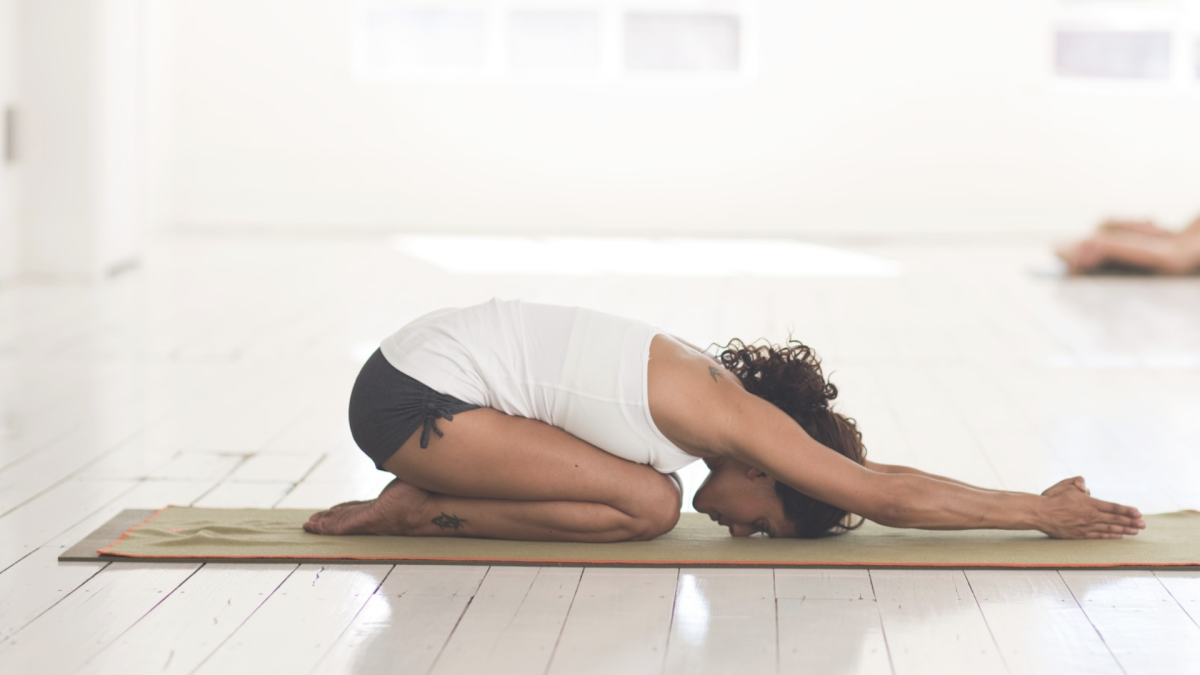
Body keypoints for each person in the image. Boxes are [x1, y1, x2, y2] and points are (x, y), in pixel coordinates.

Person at [304, 298, 1145, 542]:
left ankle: (420, 498)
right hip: (414, 399)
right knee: (650, 506)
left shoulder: (719, 412)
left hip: (421, 377)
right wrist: (1037, 511)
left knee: (649, 492)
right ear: (767, 470)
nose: (746, 534)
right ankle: (413, 507)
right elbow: (879, 496)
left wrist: (1029, 498)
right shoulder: (730, 418)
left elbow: (878, 480)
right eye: (769, 524)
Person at [1056, 214, 1200, 275]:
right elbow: (1062, 246)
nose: (1149, 221)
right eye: (1137, 225)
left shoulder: (1183, 236)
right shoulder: (1175, 251)